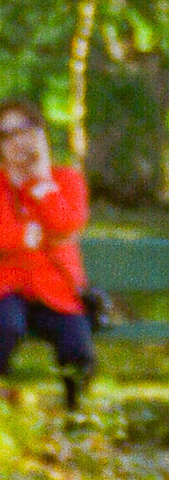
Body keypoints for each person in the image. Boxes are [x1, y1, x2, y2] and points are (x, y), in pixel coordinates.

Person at [0, 100, 96, 405]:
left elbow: (67, 224)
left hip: (54, 290)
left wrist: (40, 182)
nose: (16, 141)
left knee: (77, 349)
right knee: (6, 327)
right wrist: (27, 236)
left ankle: (76, 417)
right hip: (6, 286)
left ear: (39, 135)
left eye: (23, 131)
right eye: (5, 135)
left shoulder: (66, 180)